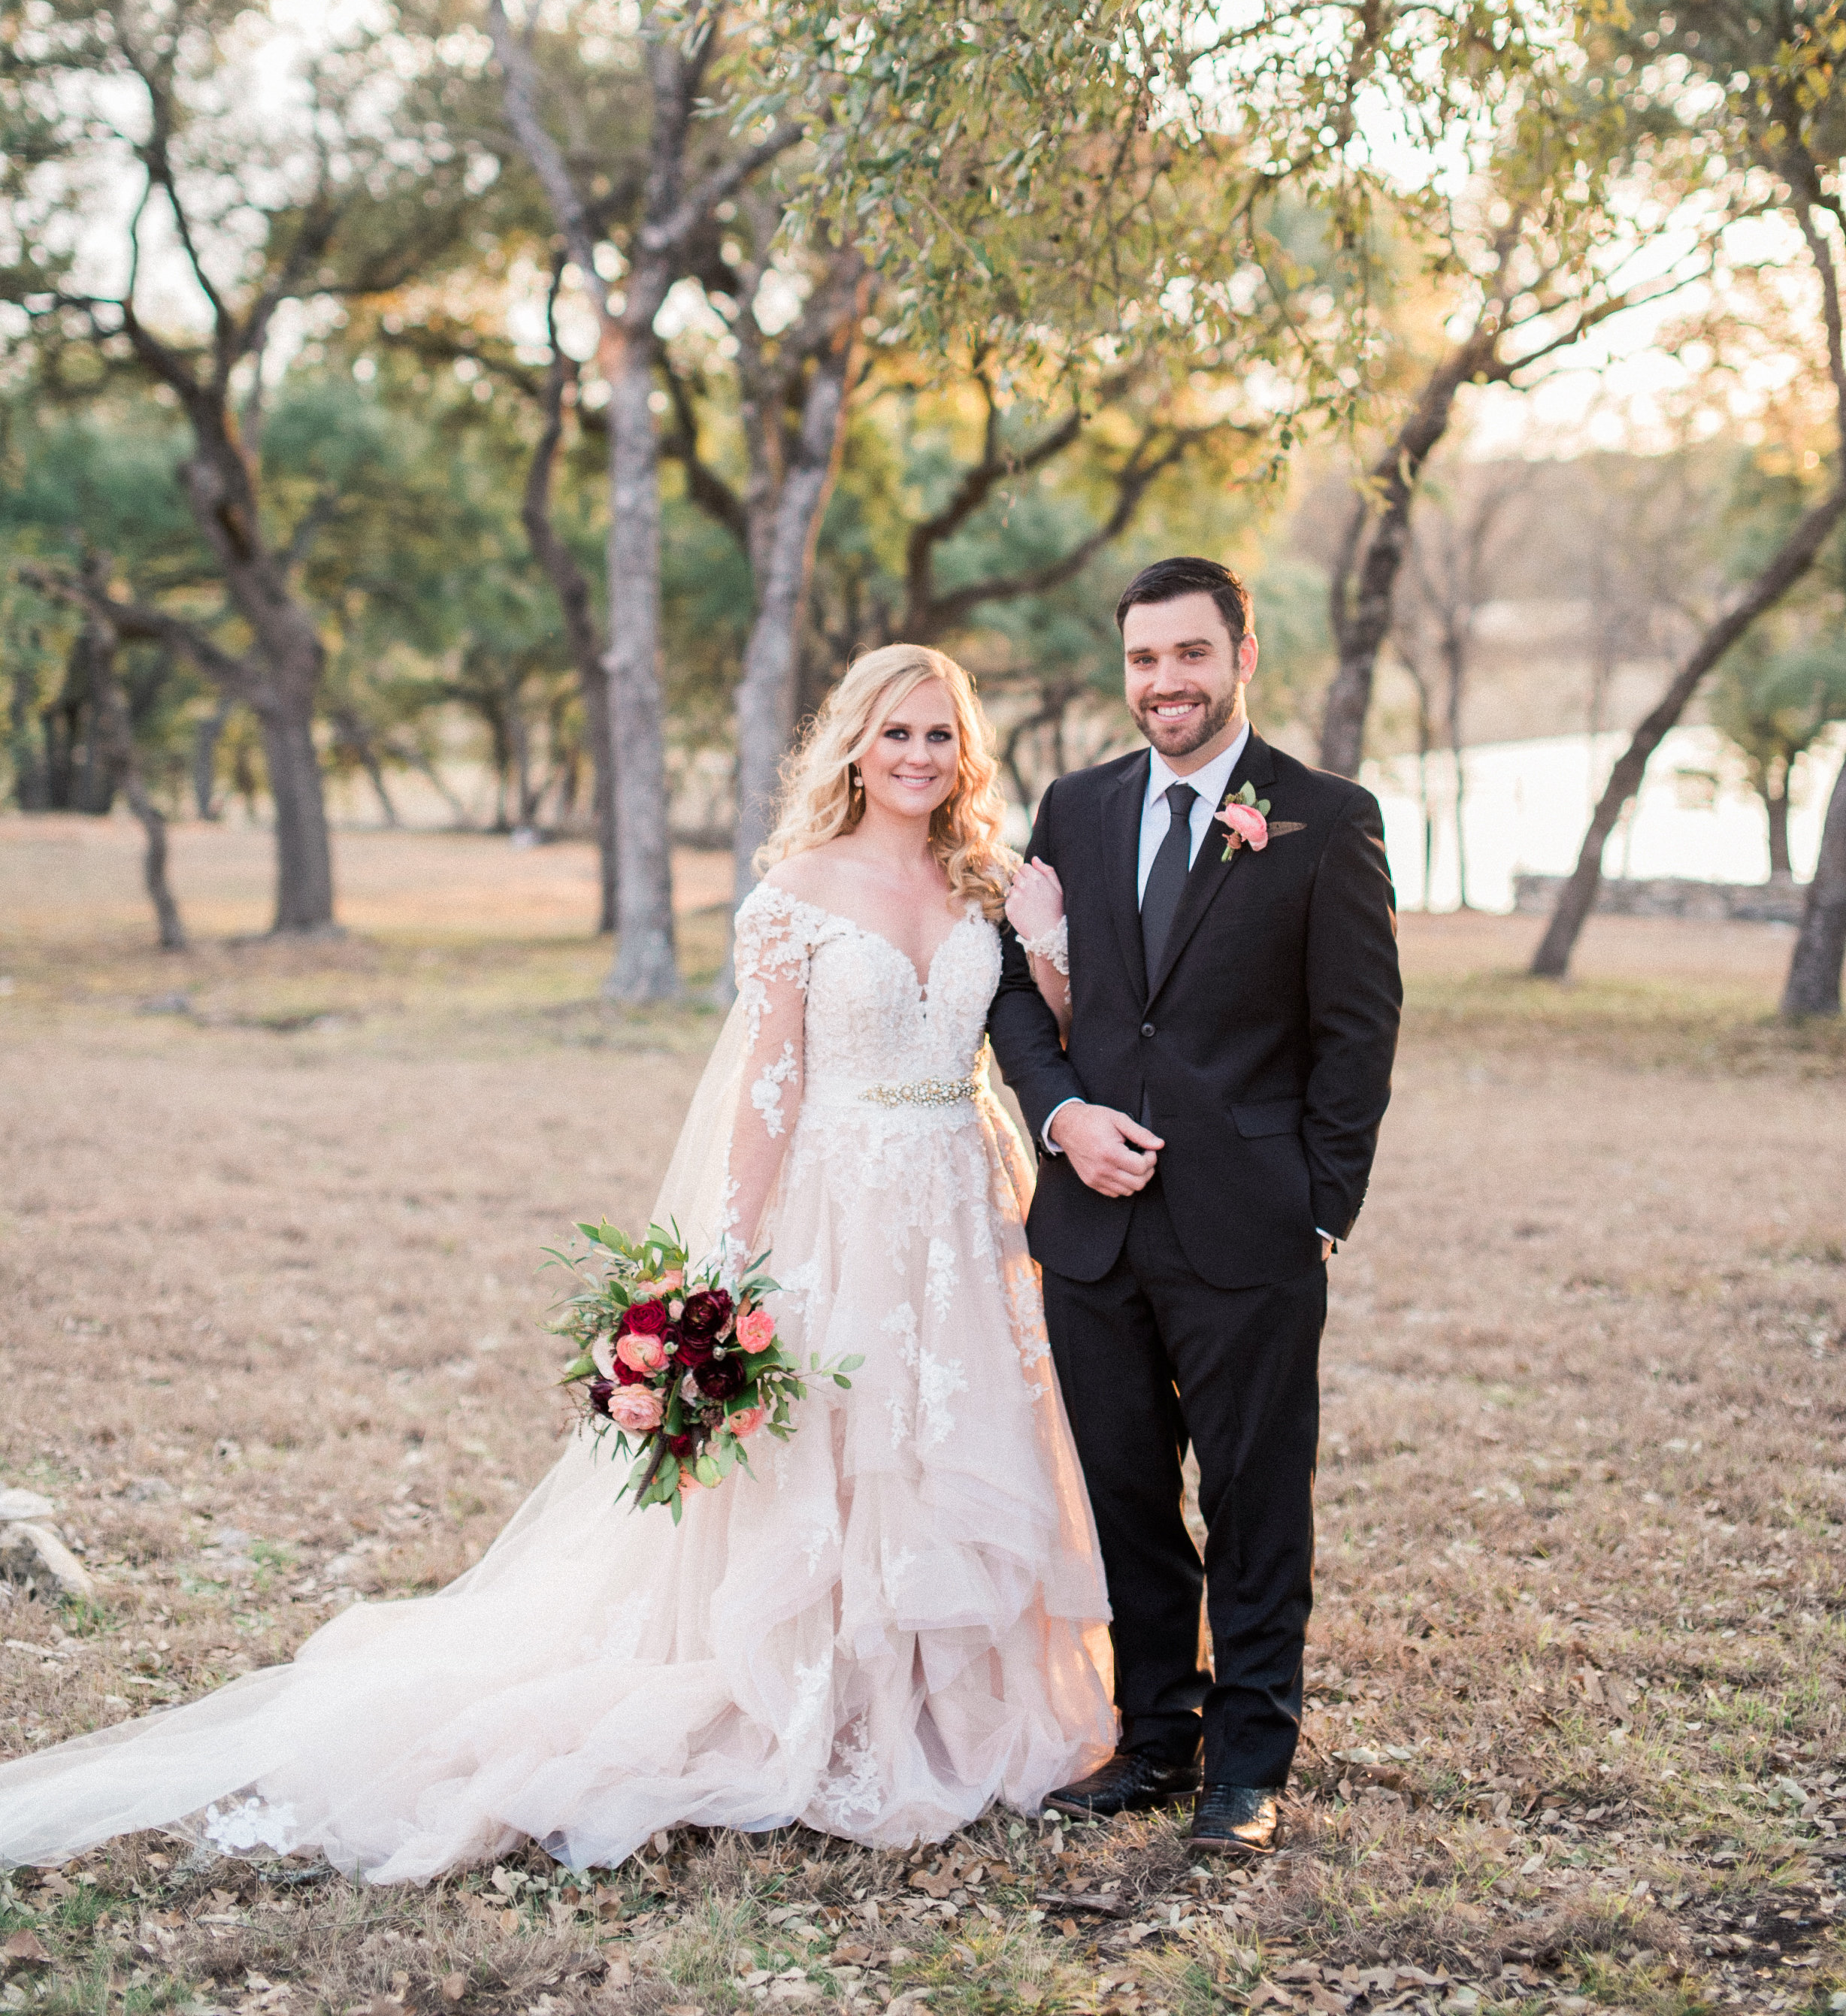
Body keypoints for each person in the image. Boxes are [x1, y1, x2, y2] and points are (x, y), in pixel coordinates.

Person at [0, 645, 1113, 1881]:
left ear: (968, 753)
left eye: (940, 736)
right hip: (835, 1208)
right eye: (896, 733)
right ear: (852, 744)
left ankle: (936, 1706)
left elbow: (1051, 1038)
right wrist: (726, 1274)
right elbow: (771, 1089)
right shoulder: (796, 892)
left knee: (950, 1448)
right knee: (836, 1454)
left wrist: (1050, 940)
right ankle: (825, 1710)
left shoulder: (988, 885)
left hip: (963, 1200)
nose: (918, 757)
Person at [991, 555, 1400, 1858]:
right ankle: (1156, 1739)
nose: (1164, 683)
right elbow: (1018, 988)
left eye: (1189, 655)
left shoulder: (1325, 818)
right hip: (1094, 1226)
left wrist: (1319, 1207)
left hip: (1251, 1227)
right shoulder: (1079, 804)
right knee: (1123, 1494)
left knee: (1255, 1497)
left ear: (1241, 658)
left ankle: (1248, 1764)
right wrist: (1061, 1117)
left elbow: (1357, 1034)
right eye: (1143, 660)